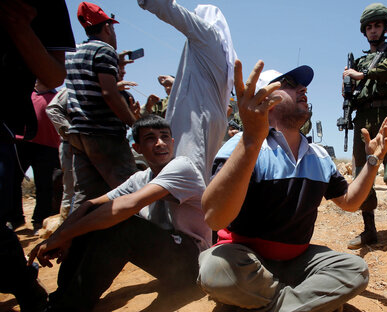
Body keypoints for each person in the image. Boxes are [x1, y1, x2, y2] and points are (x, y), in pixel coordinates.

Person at [198, 60, 387, 311]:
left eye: (303, 86)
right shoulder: (241, 147)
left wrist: (372, 162)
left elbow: (350, 202)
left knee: (354, 270)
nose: (303, 89)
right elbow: (215, 218)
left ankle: (263, 303)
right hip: (246, 260)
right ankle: (304, 303)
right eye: (290, 84)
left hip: (297, 261)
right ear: (264, 98)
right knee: (215, 269)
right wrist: (252, 139)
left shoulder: (319, 155)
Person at [28, 115, 210, 311]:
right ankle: (61, 298)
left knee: (121, 223)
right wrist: (60, 236)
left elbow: (128, 204)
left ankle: (67, 307)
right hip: (168, 259)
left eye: (164, 137)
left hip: (194, 263)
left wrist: (64, 235)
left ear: (172, 142)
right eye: (150, 138)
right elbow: (89, 205)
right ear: (136, 148)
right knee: (97, 215)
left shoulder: (182, 166)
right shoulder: (140, 178)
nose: (160, 143)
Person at [0, 0, 75, 310]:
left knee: (47, 186)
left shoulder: (47, 4)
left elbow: (55, 72)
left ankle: (25, 288)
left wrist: (18, 26)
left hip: (17, 133)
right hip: (23, 141)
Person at [342, 3, 387, 258]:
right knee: (362, 179)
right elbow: (351, 93)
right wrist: (348, 86)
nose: (373, 31)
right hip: (363, 119)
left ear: (385, 27)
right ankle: (369, 229)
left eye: (378, 26)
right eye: (369, 27)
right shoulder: (358, 61)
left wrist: (362, 75)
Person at [137, 0, 237, 182]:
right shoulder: (218, 51)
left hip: (197, 119)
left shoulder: (208, 33)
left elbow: (172, 11)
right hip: (210, 118)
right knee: (200, 176)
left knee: (188, 176)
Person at [65, 2, 138, 208]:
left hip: (79, 133)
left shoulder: (73, 52)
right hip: (103, 132)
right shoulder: (104, 50)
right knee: (130, 189)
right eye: (112, 27)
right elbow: (109, 94)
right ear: (107, 27)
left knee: (84, 194)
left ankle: (69, 237)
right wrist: (134, 123)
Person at [10, 80, 62, 232]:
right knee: (12, 181)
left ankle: (40, 221)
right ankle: (15, 218)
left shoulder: (58, 96)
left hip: (48, 146)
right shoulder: (25, 93)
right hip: (22, 143)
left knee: (45, 185)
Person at [46, 88, 75, 219]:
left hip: (96, 146)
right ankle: (66, 227)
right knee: (71, 188)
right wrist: (73, 134)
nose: (123, 72)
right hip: (72, 146)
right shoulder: (71, 89)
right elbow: (53, 110)